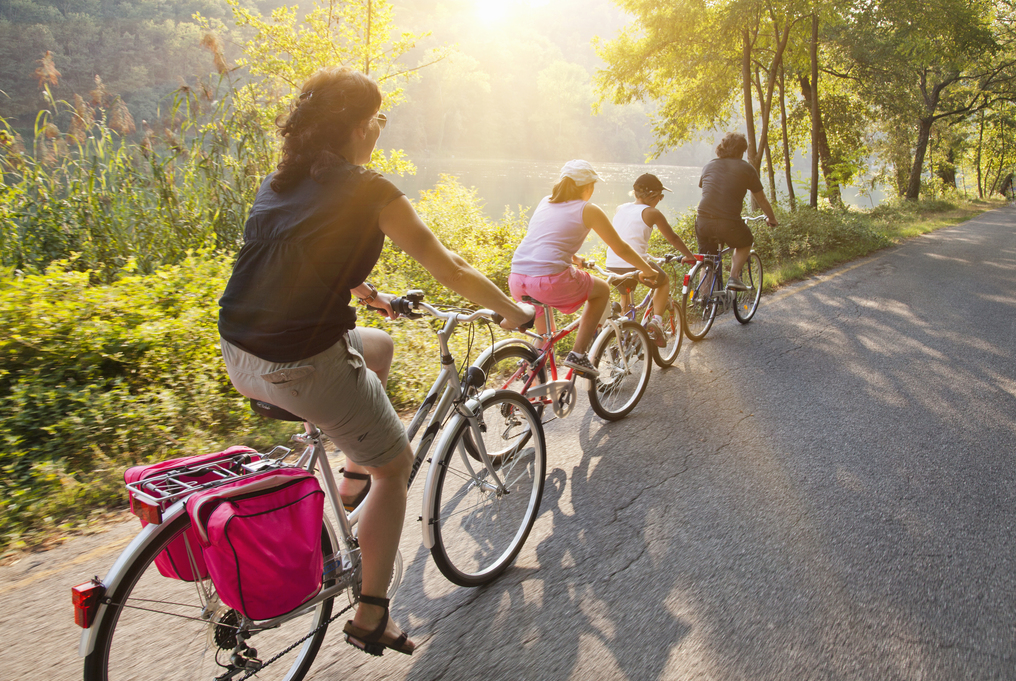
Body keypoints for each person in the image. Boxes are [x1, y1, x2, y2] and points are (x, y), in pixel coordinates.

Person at [217, 66, 533, 657]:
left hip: (240, 350)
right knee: (398, 465)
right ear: (362, 126)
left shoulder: (282, 181)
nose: (380, 130)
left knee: (378, 346)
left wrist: (369, 295)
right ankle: (371, 613)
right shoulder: (370, 189)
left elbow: (300, 256)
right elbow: (451, 268)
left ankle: (350, 476)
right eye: (379, 120)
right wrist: (511, 310)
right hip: (300, 362)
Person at [509, 160, 658, 377]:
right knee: (601, 291)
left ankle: (531, 385)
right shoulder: (588, 209)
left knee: (544, 342)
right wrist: (647, 269)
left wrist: (575, 258)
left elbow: (547, 239)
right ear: (587, 187)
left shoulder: (545, 202)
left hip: (517, 278)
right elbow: (621, 248)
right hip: (549, 280)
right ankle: (578, 356)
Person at [605, 173, 697, 346]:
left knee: (626, 298)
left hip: (612, 264)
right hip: (634, 265)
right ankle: (656, 322)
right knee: (663, 282)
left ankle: (623, 337)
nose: (660, 200)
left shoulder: (621, 208)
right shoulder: (652, 212)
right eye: (660, 197)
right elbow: (673, 238)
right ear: (652, 195)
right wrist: (689, 256)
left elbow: (628, 236)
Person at [696, 132, 778, 290]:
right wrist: (771, 218)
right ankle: (733, 277)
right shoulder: (746, 169)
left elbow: (708, 191)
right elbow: (761, 200)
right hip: (728, 222)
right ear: (742, 151)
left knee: (708, 260)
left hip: (703, 221)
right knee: (746, 241)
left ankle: (704, 301)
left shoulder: (709, 165)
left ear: (722, 147)